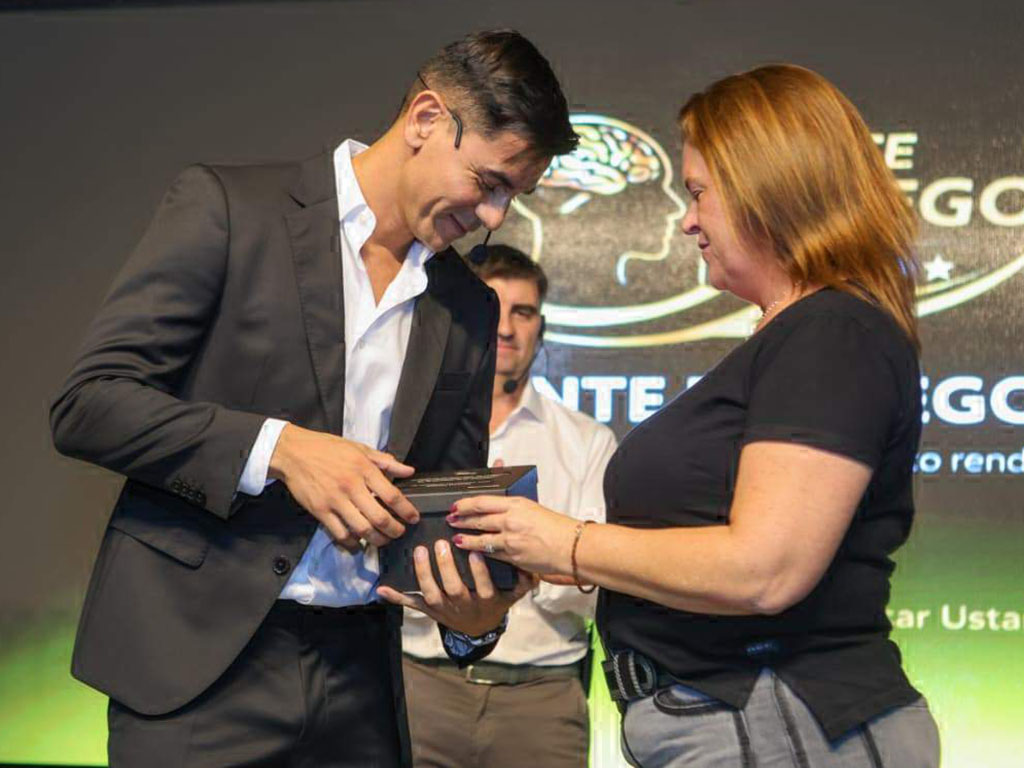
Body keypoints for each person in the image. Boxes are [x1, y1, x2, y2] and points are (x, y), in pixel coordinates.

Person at [49, 29, 577, 768]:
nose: (494, 217)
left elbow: (439, 506)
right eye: (488, 182)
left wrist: (474, 619)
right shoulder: (230, 209)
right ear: (426, 118)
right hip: (198, 672)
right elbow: (90, 404)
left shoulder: (467, 304)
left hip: (362, 681)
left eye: (512, 197)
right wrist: (280, 450)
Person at [448, 64, 941, 767]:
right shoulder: (804, 333)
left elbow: (765, 569)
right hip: (744, 721)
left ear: (768, 187)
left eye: (699, 192)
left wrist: (569, 545)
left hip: (778, 721)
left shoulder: (832, 331)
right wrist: (548, 555)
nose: (688, 220)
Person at [400, 245, 618, 768]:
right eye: (494, 309)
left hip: (540, 697)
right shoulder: (408, 431)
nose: (505, 328)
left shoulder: (586, 442)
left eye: (523, 312)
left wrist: (526, 563)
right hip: (419, 684)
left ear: (541, 328)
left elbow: (600, 586)